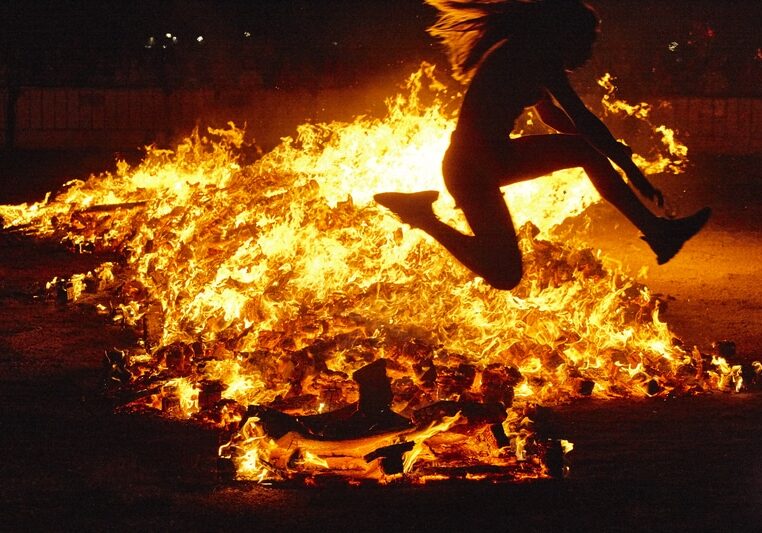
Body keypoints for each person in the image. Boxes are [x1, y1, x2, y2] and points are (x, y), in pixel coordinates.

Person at [375, 0, 710, 290]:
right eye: (588, 41)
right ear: (565, 34)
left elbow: (552, 116)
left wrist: (604, 150)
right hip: (474, 167)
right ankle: (423, 217)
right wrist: (631, 171)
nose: (590, 52)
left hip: (484, 162)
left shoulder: (526, 52)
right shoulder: (533, 53)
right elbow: (580, 116)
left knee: (506, 271)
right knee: (505, 273)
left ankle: (658, 232)